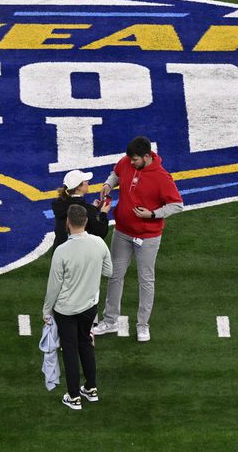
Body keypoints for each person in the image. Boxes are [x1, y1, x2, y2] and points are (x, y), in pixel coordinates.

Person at [92, 136, 183, 343]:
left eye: (135, 160)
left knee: (146, 281)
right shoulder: (126, 162)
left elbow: (177, 204)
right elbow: (115, 174)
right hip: (122, 231)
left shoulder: (162, 177)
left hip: (148, 237)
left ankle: (143, 325)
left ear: (146, 156)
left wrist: (152, 214)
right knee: (114, 274)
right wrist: (108, 185)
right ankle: (110, 320)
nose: (130, 163)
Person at [42, 204, 112, 410]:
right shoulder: (99, 243)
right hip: (89, 306)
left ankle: (74, 396)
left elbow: (54, 286)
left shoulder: (62, 251)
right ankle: (91, 388)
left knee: (70, 350)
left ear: (68, 223)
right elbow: (109, 271)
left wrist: (46, 310)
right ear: (86, 222)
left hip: (66, 309)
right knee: (85, 343)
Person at [50, 169, 111, 247]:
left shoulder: (59, 204)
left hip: (59, 252)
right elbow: (100, 233)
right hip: (78, 253)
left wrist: (94, 208)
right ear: (78, 187)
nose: (88, 182)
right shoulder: (87, 209)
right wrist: (103, 213)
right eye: (85, 181)